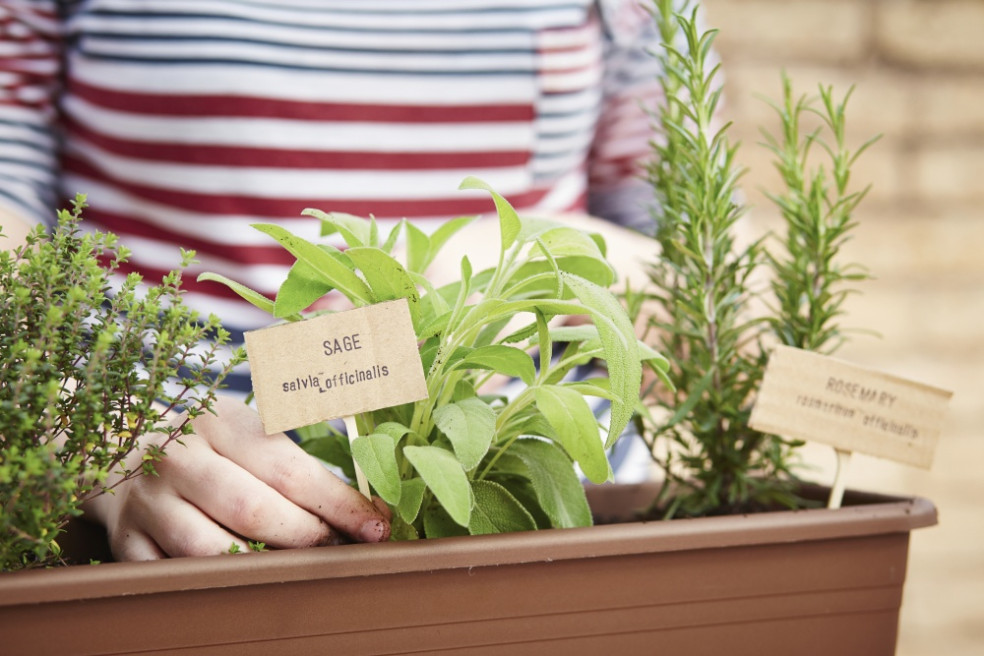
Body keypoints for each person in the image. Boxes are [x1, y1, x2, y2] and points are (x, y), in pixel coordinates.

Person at [0, 0, 667, 559]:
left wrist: (538, 264)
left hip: (546, 528)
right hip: (176, 508)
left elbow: (690, 262)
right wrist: (88, 424)